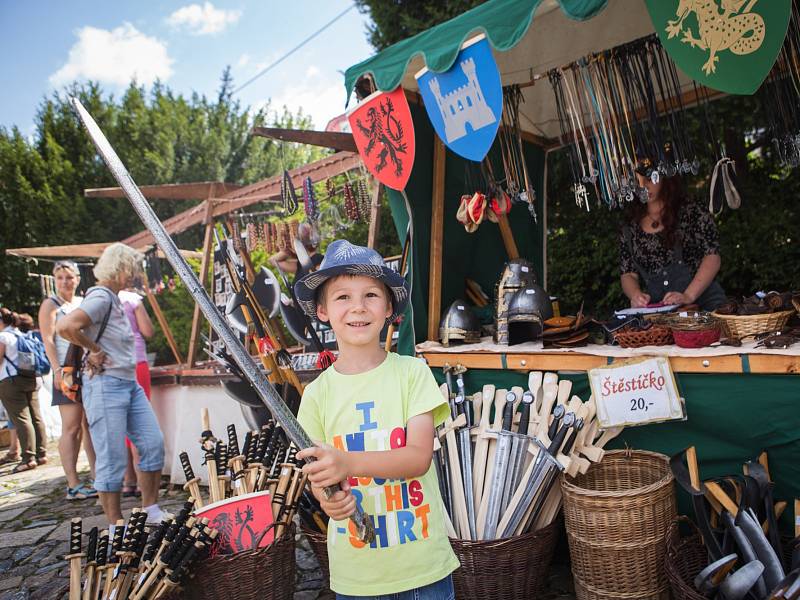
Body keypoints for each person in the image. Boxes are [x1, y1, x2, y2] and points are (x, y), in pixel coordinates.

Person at [293, 240, 459, 599]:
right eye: (342, 297)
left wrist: (346, 462)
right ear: (322, 310)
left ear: (388, 309)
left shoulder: (413, 374)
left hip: (422, 571)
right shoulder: (316, 396)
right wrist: (329, 501)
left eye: (371, 295)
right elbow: (318, 479)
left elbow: (418, 457)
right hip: (357, 577)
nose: (358, 307)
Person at [56, 243, 169, 527]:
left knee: (152, 443)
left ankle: (150, 508)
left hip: (128, 383)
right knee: (112, 456)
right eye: (132, 268)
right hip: (106, 386)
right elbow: (66, 326)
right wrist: (93, 349)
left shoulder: (114, 298)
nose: (135, 275)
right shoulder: (101, 297)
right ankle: (116, 523)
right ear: (122, 268)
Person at [619, 153, 726, 311]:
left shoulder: (691, 209)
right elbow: (628, 273)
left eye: (649, 179)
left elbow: (712, 256)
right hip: (662, 312)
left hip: (705, 304)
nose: (643, 186)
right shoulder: (629, 226)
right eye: (637, 182)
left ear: (663, 176)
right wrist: (636, 295)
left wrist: (688, 296)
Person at [39, 260, 98, 499]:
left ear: (77, 279)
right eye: (60, 277)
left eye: (69, 277)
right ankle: (72, 483)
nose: (65, 281)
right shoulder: (50, 304)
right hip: (67, 369)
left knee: (88, 425)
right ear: (54, 280)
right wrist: (57, 370)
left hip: (85, 369)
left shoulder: (81, 303)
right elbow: (48, 338)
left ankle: (97, 476)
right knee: (71, 426)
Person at [0, 309, 48, 473]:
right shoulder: (21, 334)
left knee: (21, 418)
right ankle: (41, 453)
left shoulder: (3, 337)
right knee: (36, 416)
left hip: (11, 380)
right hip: (30, 378)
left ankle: (28, 458)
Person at [118, 288, 155, 497]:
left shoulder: (95, 296)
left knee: (121, 422)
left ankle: (128, 480)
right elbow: (148, 331)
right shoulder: (132, 299)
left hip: (113, 365)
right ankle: (143, 483)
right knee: (139, 420)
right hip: (136, 360)